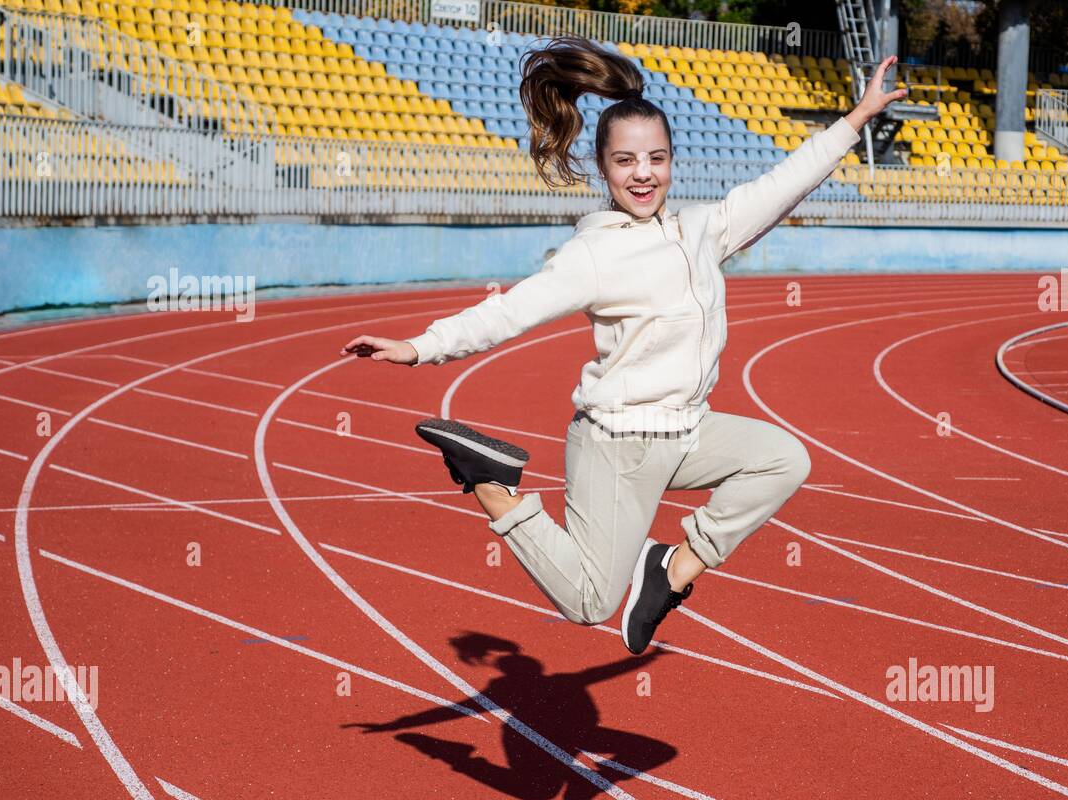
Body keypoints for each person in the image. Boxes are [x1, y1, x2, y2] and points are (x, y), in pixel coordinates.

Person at [341, 37, 907, 655]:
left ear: (672, 162)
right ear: (605, 168)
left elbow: (782, 184)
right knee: (589, 604)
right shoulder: (595, 253)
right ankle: (491, 482)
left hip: (687, 431)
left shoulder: (702, 230)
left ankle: (669, 573)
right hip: (619, 445)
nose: (643, 174)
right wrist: (422, 347)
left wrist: (856, 118)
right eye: (626, 162)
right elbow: (511, 309)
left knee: (782, 459)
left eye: (656, 159)